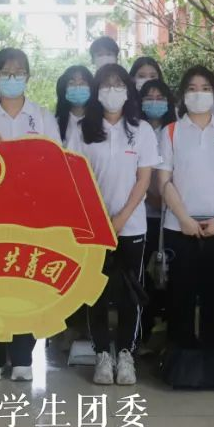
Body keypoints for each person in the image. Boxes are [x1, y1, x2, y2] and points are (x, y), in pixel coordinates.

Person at [0, 48, 59, 383]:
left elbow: (57, 164)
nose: (12, 78)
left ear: (27, 77)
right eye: (5, 72)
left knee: (27, 282)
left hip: (33, 215)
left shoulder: (42, 117)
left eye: (18, 72)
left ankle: (23, 356)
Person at [67, 65, 159, 386]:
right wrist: (98, 220)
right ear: (96, 92)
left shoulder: (141, 130)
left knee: (129, 293)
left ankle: (126, 354)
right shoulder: (82, 129)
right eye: (105, 85)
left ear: (128, 90)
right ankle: (102, 355)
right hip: (92, 227)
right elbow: (75, 177)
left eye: (118, 84)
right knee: (95, 292)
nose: (112, 90)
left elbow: (144, 179)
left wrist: (120, 218)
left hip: (131, 225)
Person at [155, 66, 214, 350]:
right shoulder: (171, 132)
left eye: (205, 88)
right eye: (192, 89)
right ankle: (180, 355)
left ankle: (212, 354)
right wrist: (184, 218)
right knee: (180, 295)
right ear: (183, 95)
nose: (199, 94)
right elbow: (164, 181)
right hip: (180, 227)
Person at [138, 79, 176, 347]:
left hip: (171, 213)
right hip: (140, 215)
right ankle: (143, 328)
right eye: (148, 97)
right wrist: (149, 195)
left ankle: (168, 328)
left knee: (169, 273)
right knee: (144, 275)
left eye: (159, 97)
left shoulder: (175, 130)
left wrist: (165, 197)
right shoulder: (135, 129)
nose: (154, 102)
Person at [55, 65, 94, 144]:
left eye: (82, 83)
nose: (77, 87)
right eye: (71, 83)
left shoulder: (101, 121)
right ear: (64, 89)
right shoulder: (55, 123)